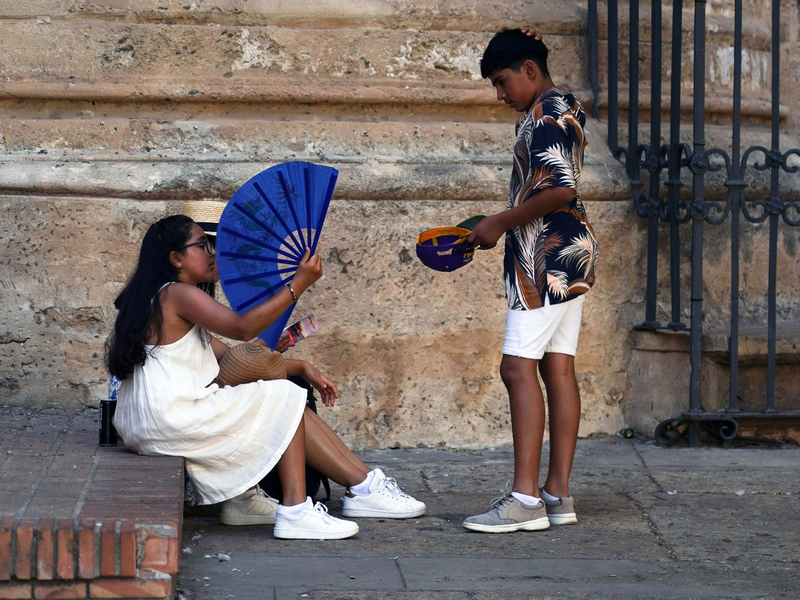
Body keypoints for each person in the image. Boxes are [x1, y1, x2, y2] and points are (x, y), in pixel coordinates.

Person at [106, 214, 424, 541]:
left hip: (149, 422)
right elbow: (242, 328)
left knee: (284, 399)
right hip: (169, 419)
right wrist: (298, 283)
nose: (213, 253)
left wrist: (300, 367)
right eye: (203, 245)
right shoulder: (176, 294)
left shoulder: (157, 298)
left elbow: (231, 361)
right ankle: (297, 511)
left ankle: (364, 486)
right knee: (282, 396)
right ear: (176, 259)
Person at [461, 29, 598, 533]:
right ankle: (556, 494)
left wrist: (499, 221)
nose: (500, 94)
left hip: (545, 257)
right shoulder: (566, 107)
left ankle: (523, 500)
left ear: (530, 70)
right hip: (569, 252)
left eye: (502, 82)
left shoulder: (544, 116)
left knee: (516, 370)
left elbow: (560, 189)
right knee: (557, 370)